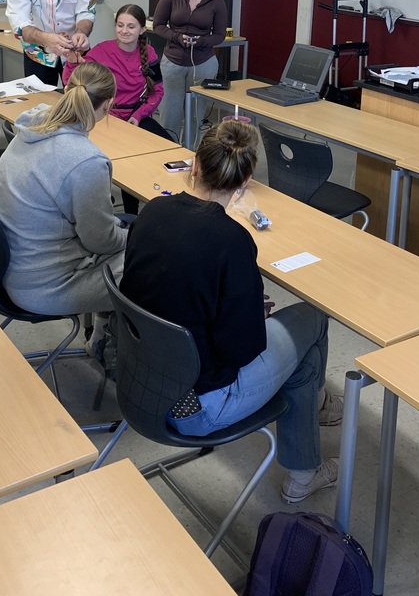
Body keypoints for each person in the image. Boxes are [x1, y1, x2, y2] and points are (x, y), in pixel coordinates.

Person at [121, 120, 342, 505]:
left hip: (142, 378)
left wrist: (235, 306)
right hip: (198, 406)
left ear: (194, 165)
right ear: (246, 181)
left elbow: (159, 289)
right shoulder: (233, 240)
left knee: (299, 353)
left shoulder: (154, 210)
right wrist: (249, 314)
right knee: (312, 320)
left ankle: (313, 438)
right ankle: (306, 464)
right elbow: (241, 350)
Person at [0, 62, 128, 356]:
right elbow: (101, 241)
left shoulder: (32, 124)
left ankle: (101, 332)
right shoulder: (86, 161)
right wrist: (135, 236)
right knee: (153, 262)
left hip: (13, 269)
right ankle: (116, 350)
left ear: (67, 90)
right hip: (45, 287)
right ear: (108, 106)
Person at [62, 3, 170, 214]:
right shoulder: (102, 51)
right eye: (120, 25)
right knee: (127, 163)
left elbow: (157, 93)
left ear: (142, 30)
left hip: (136, 115)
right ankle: (131, 213)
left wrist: (138, 116)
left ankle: (159, 202)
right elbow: (73, 83)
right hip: (107, 117)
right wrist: (72, 63)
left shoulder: (149, 53)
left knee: (168, 147)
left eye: (131, 26)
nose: (124, 31)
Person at [152, 0, 228, 143]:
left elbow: (219, 35)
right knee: (170, 113)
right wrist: (177, 37)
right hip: (173, 62)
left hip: (203, 63)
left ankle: (191, 152)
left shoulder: (217, 3)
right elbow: (158, 25)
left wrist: (201, 41)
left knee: (195, 113)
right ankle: (167, 150)